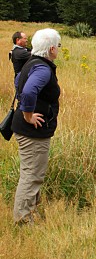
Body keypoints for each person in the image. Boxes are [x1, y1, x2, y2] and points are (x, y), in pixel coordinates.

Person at [12, 28, 60, 225]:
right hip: (32, 132)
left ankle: (30, 211)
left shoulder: (31, 63)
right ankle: (23, 221)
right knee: (32, 175)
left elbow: (18, 82)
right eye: (58, 46)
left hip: (27, 130)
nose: (58, 49)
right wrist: (29, 115)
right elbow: (29, 91)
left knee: (33, 172)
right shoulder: (42, 68)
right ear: (51, 48)